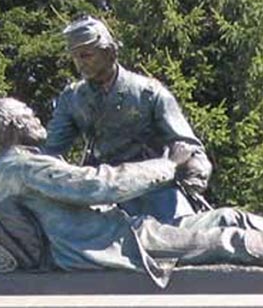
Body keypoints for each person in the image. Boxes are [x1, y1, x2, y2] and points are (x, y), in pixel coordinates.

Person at [0, 97, 263, 287]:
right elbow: (96, 184)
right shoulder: (21, 165)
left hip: (117, 233)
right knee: (230, 237)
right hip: (113, 247)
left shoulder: (13, 167)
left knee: (231, 216)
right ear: (10, 125)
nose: (37, 116)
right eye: (27, 114)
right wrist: (167, 166)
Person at [43, 15, 212, 221]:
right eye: (75, 57)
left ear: (110, 52)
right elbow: (51, 151)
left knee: (184, 236)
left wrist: (194, 171)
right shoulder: (72, 99)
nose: (79, 64)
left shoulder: (148, 93)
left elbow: (186, 144)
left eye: (86, 55)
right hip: (104, 189)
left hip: (155, 187)